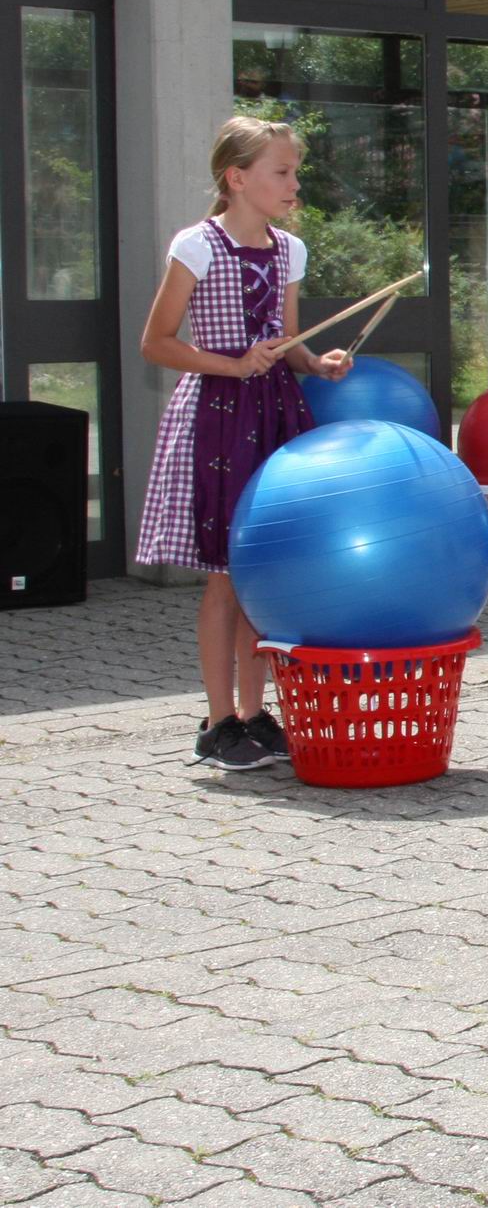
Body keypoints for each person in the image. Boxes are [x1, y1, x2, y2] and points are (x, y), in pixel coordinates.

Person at [136, 117, 352, 770]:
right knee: (225, 578)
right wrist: (233, 363)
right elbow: (156, 342)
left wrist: (316, 363)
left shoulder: (290, 250)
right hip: (219, 418)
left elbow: (285, 341)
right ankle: (218, 719)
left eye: (294, 171)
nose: (294, 183)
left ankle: (256, 714)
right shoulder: (197, 245)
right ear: (237, 177)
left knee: (262, 573)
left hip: (275, 414)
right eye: (281, 171)